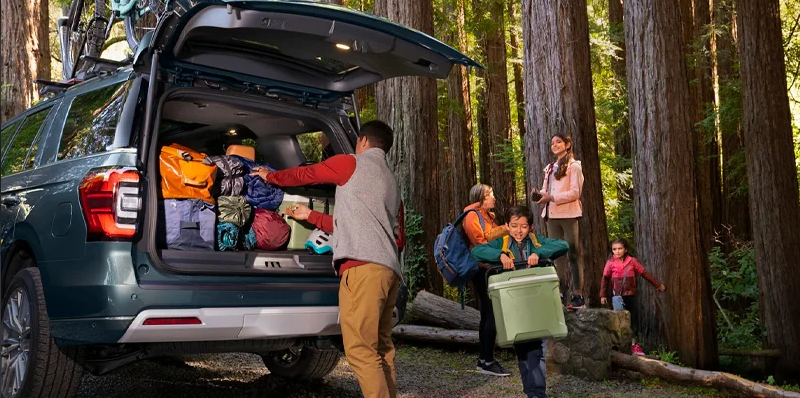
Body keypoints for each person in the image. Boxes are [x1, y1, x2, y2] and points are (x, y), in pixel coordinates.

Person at [250, 120, 401, 398]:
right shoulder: (391, 181)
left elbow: (307, 174)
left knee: (359, 349)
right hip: (388, 270)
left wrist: (270, 177)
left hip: (362, 268)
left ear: (364, 141)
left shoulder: (350, 163)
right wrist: (310, 217)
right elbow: (361, 224)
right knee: (381, 348)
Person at [471, 205, 569, 398]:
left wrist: (539, 254)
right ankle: (532, 392)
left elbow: (562, 245)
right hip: (514, 305)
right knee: (523, 349)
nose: (519, 230)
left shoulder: (536, 241)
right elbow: (477, 252)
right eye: (514, 226)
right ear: (507, 225)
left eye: (523, 226)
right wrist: (499, 256)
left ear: (530, 227)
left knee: (535, 348)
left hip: (536, 301)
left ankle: (537, 393)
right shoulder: (502, 243)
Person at [463, 183, 511, 376]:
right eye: (490, 195)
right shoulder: (471, 216)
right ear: (480, 198)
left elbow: (491, 238)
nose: (494, 198)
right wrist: (504, 231)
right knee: (491, 314)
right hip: (482, 270)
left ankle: (484, 359)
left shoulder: (487, 216)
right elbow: (480, 243)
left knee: (488, 314)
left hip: (490, 268)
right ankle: (488, 362)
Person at [533, 133, 586, 309]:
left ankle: (578, 295)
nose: (555, 145)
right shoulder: (550, 167)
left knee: (572, 253)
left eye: (558, 142)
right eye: (552, 143)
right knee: (556, 255)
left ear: (567, 144)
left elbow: (575, 192)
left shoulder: (574, 166)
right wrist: (539, 195)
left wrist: (552, 197)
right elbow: (545, 189)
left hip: (569, 214)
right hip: (552, 216)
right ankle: (559, 292)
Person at [599, 238, 666, 356]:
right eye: (614, 249)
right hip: (617, 297)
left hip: (631, 295)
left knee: (632, 320)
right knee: (619, 320)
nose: (617, 251)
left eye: (620, 248)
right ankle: (620, 346)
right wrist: (603, 294)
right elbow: (605, 279)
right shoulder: (610, 263)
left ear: (625, 249)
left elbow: (644, 274)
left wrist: (658, 285)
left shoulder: (632, 261)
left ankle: (634, 345)